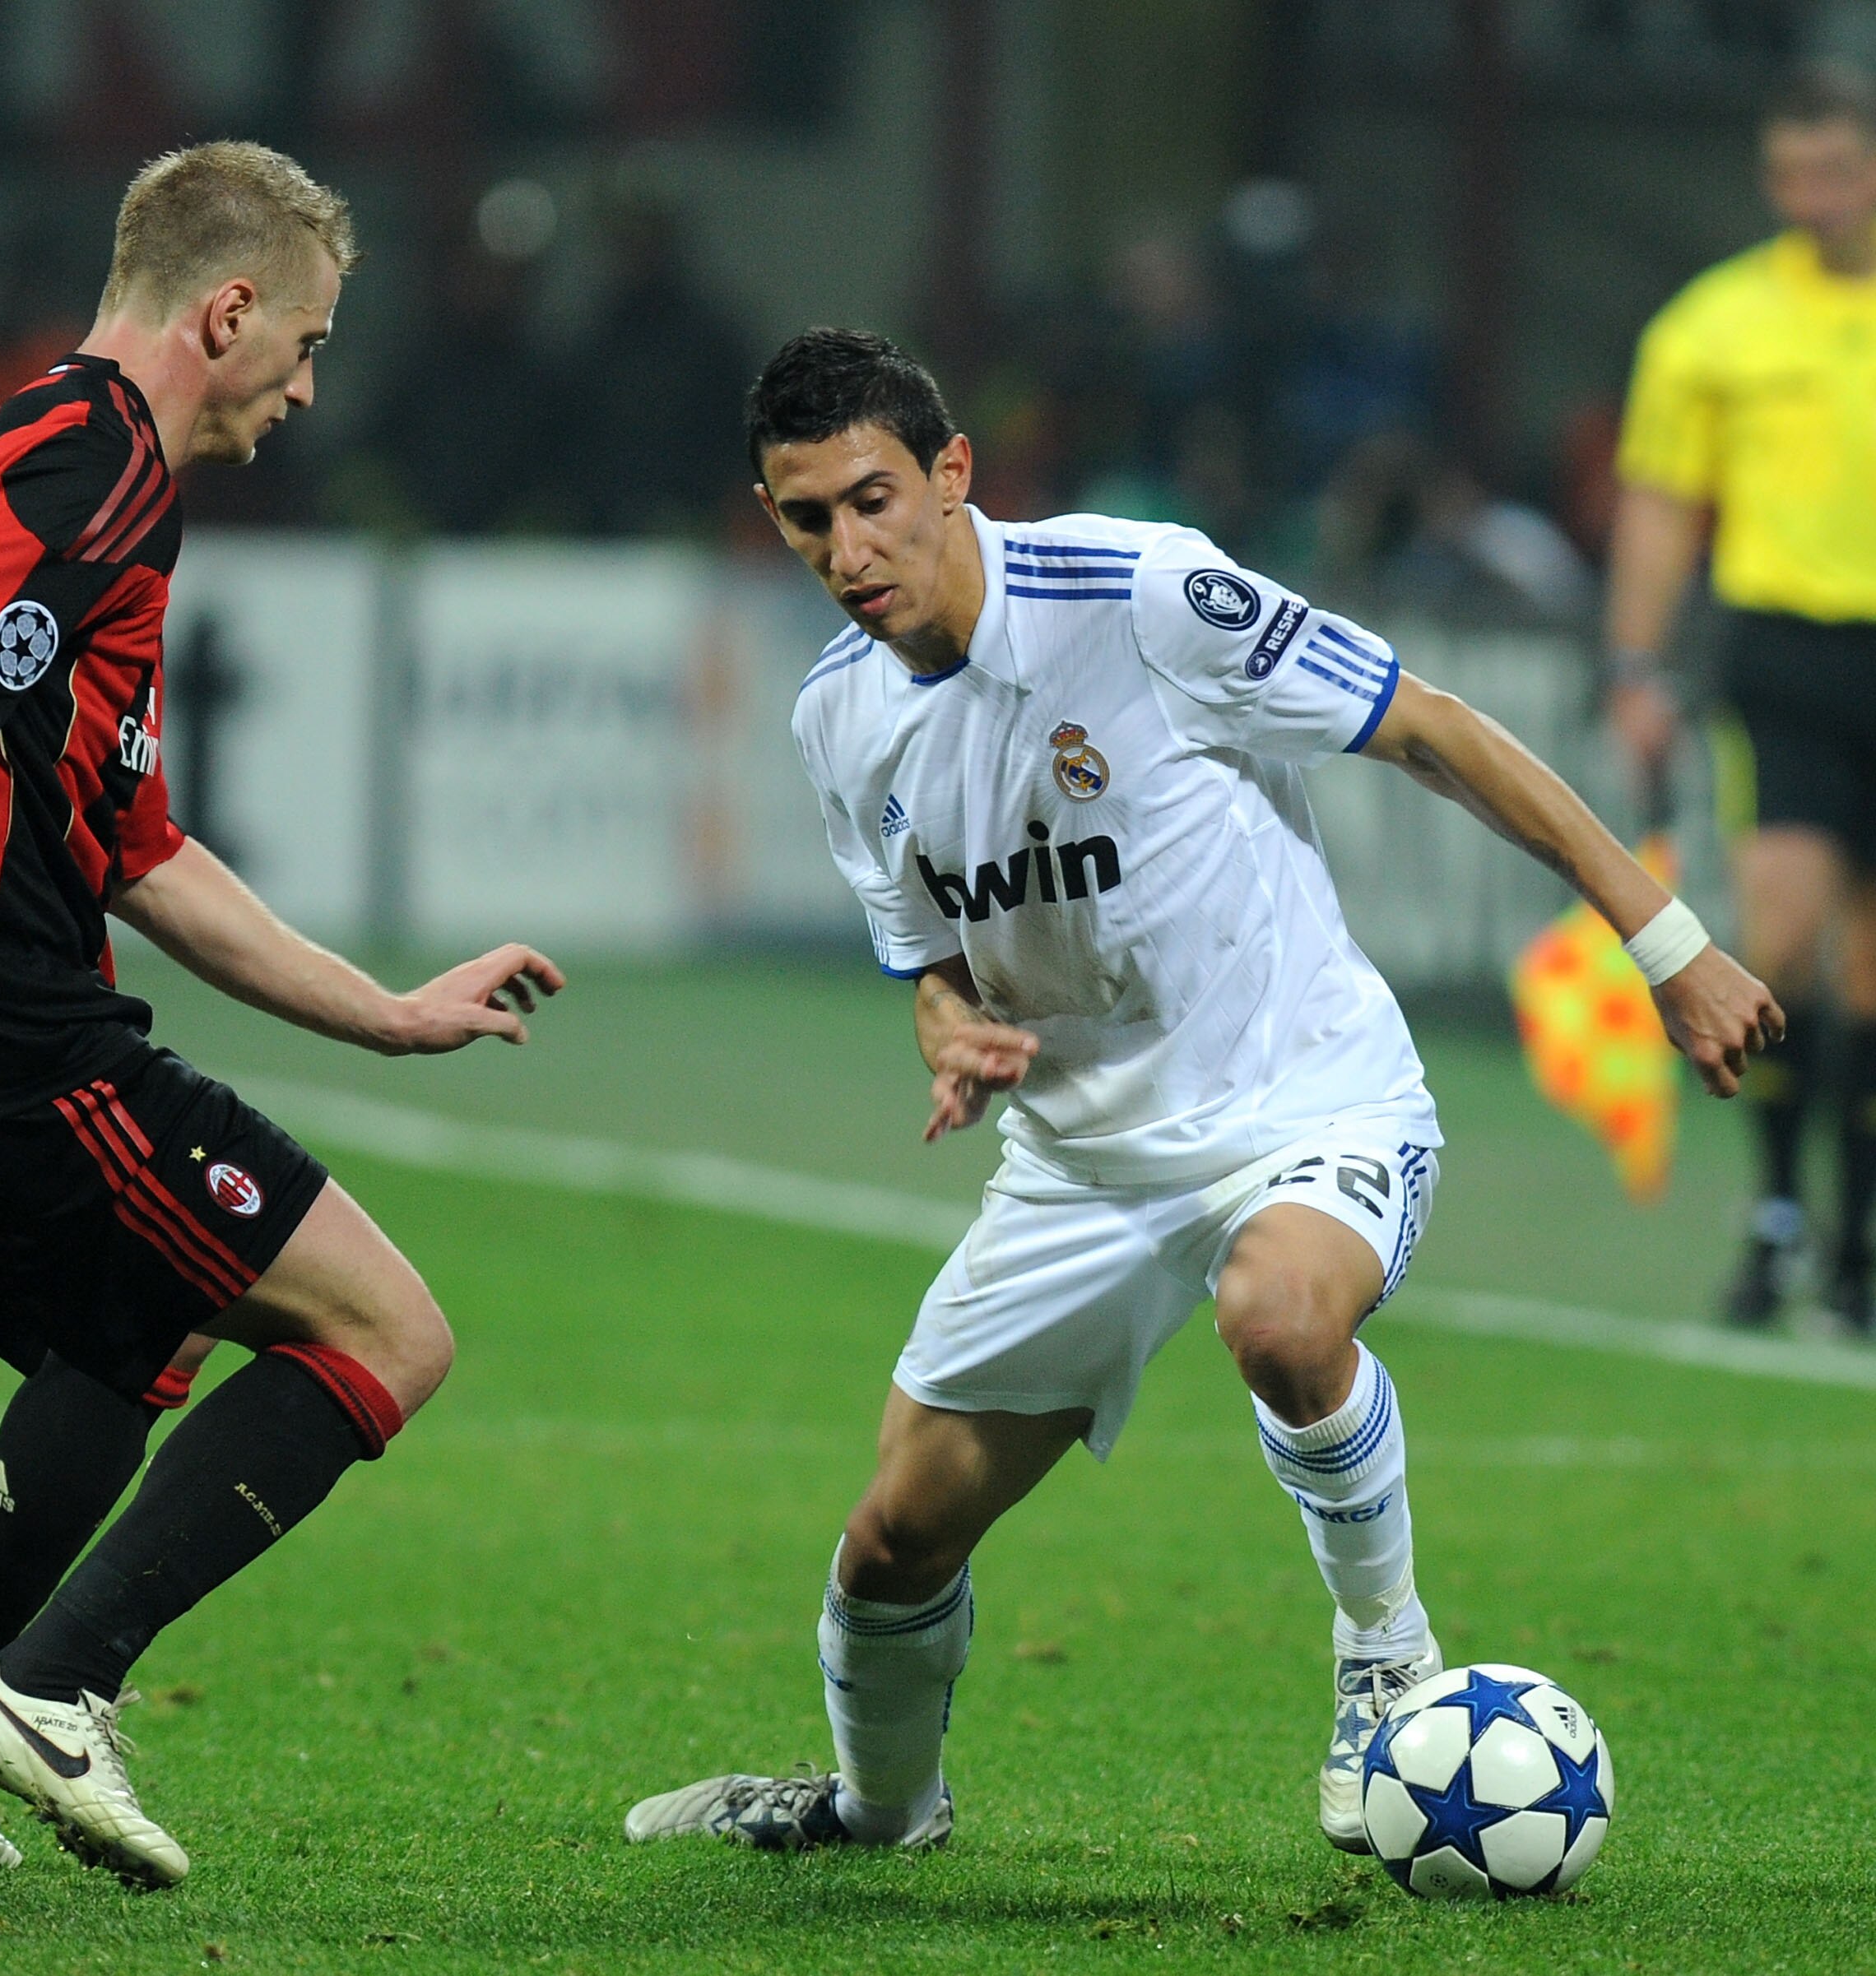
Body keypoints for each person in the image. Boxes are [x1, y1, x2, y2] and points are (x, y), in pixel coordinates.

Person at [625, 328, 1776, 1857]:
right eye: (805, 518)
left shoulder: (1142, 592)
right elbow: (932, 957)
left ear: (955, 475)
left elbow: (1432, 729)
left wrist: (1667, 939)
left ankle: (1388, 1668)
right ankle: (876, 1811)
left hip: (1306, 1102)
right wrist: (946, 1027)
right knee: (892, 1542)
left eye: (874, 498)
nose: (847, 548)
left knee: (1281, 1315)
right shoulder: (840, 714)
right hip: (1082, 1166)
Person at [0, 141, 560, 1891]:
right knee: (387, 1331)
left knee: (125, 1335)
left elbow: (132, 839)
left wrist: (378, 1013)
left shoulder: (22, 447)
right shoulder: (100, 469)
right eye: (303, 340)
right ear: (225, 311)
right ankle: (55, 1687)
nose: (306, 385)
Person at [1607, 61, 1876, 1334]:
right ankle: (1777, 1214)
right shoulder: (1715, 325)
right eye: (1788, 174)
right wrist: (1636, 664)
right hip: (1785, 653)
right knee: (1778, 935)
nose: (1807, 196)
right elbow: (1663, 506)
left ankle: (1858, 1245)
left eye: (1831, 170)